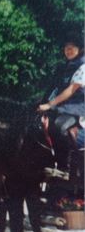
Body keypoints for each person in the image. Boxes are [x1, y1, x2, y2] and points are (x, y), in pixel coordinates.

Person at [38, 35, 85, 178]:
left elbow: (71, 90)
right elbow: (55, 88)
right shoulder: (64, 67)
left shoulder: (83, 66)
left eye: (72, 48)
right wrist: (42, 103)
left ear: (81, 49)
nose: (68, 50)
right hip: (64, 107)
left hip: (78, 107)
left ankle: (65, 168)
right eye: (66, 48)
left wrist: (50, 105)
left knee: (59, 126)